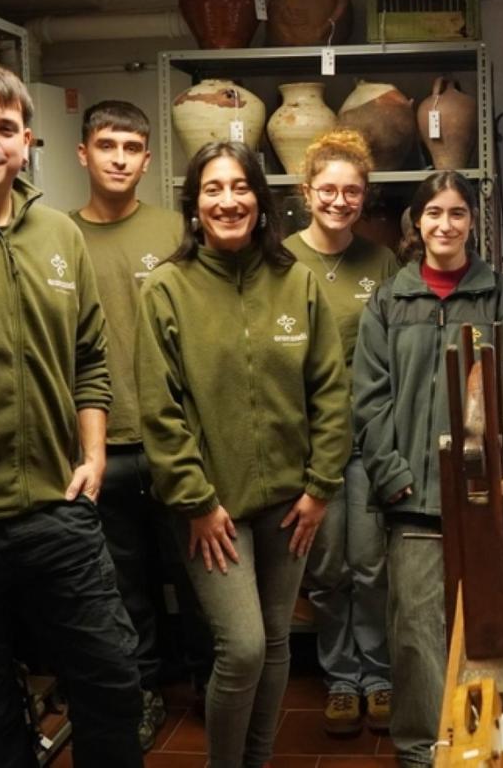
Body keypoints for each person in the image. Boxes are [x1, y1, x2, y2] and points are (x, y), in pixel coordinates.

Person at [0, 62, 142, 766]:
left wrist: (95, 456)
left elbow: (89, 359)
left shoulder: (57, 235)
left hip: (57, 512)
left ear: (27, 142)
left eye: (5, 129)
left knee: (113, 681)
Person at [136, 141, 351, 768]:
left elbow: (331, 393)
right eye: (212, 189)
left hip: (291, 505)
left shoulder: (297, 284)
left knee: (278, 640)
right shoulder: (167, 289)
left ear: (261, 202)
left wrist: (319, 489)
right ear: (194, 204)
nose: (227, 200)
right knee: (244, 647)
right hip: (212, 511)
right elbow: (160, 409)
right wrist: (198, 503)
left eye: (239, 187)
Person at [353, 171, 503, 766]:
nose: (445, 224)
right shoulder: (390, 300)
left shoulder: (499, 301)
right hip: (412, 498)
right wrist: (391, 471)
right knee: (415, 637)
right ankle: (420, 752)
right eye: (433, 212)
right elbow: (369, 398)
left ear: (471, 222)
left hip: (484, 501)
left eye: (457, 213)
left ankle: (487, 745)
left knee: (492, 631)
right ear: (417, 222)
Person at [70, 99, 187, 751]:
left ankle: (206, 689)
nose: (119, 157)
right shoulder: (55, 235)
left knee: (197, 579)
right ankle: (140, 693)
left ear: (148, 160)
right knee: (122, 588)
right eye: (107, 144)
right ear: (83, 153)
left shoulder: (175, 231)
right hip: (99, 448)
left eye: (132, 147)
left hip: (176, 441)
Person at [282, 129, 398, 736]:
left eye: (351, 191)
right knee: (326, 569)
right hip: (308, 447)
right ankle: (341, 676)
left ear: (364, 196)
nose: (339, 200)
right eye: (327, 189)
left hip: (370, 440)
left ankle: (377, 674)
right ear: (306, 192)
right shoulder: (278, 260)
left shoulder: (381, 263)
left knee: (370, 564)